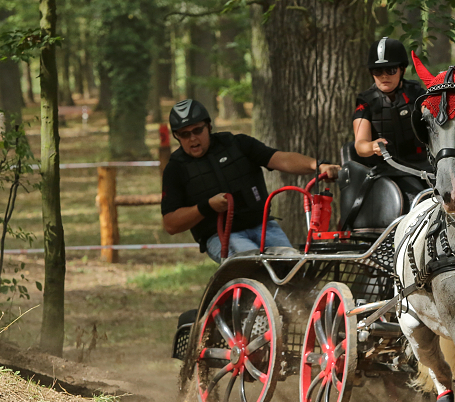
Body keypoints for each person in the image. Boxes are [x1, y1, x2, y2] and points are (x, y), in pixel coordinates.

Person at [161, 99, 339, 262]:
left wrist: (318, 166)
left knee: (292, 265)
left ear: (208, 126)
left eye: (197, 130)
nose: (192, 138)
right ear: (177, 136)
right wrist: (207, 206)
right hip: (220, 236)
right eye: (184, 134)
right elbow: (170, 224)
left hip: (264, 227)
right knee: (253, 265)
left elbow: (280, 158)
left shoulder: (237, 144)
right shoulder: (175, 169)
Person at [351, 37, 431, 197]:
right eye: (377, 71)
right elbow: (360, 146)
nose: (384, 76)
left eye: (391, 70)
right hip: (389, 171)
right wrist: (373, 146)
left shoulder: (418, 95)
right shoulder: (365, 102)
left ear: (401, 69)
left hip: (425, 167)